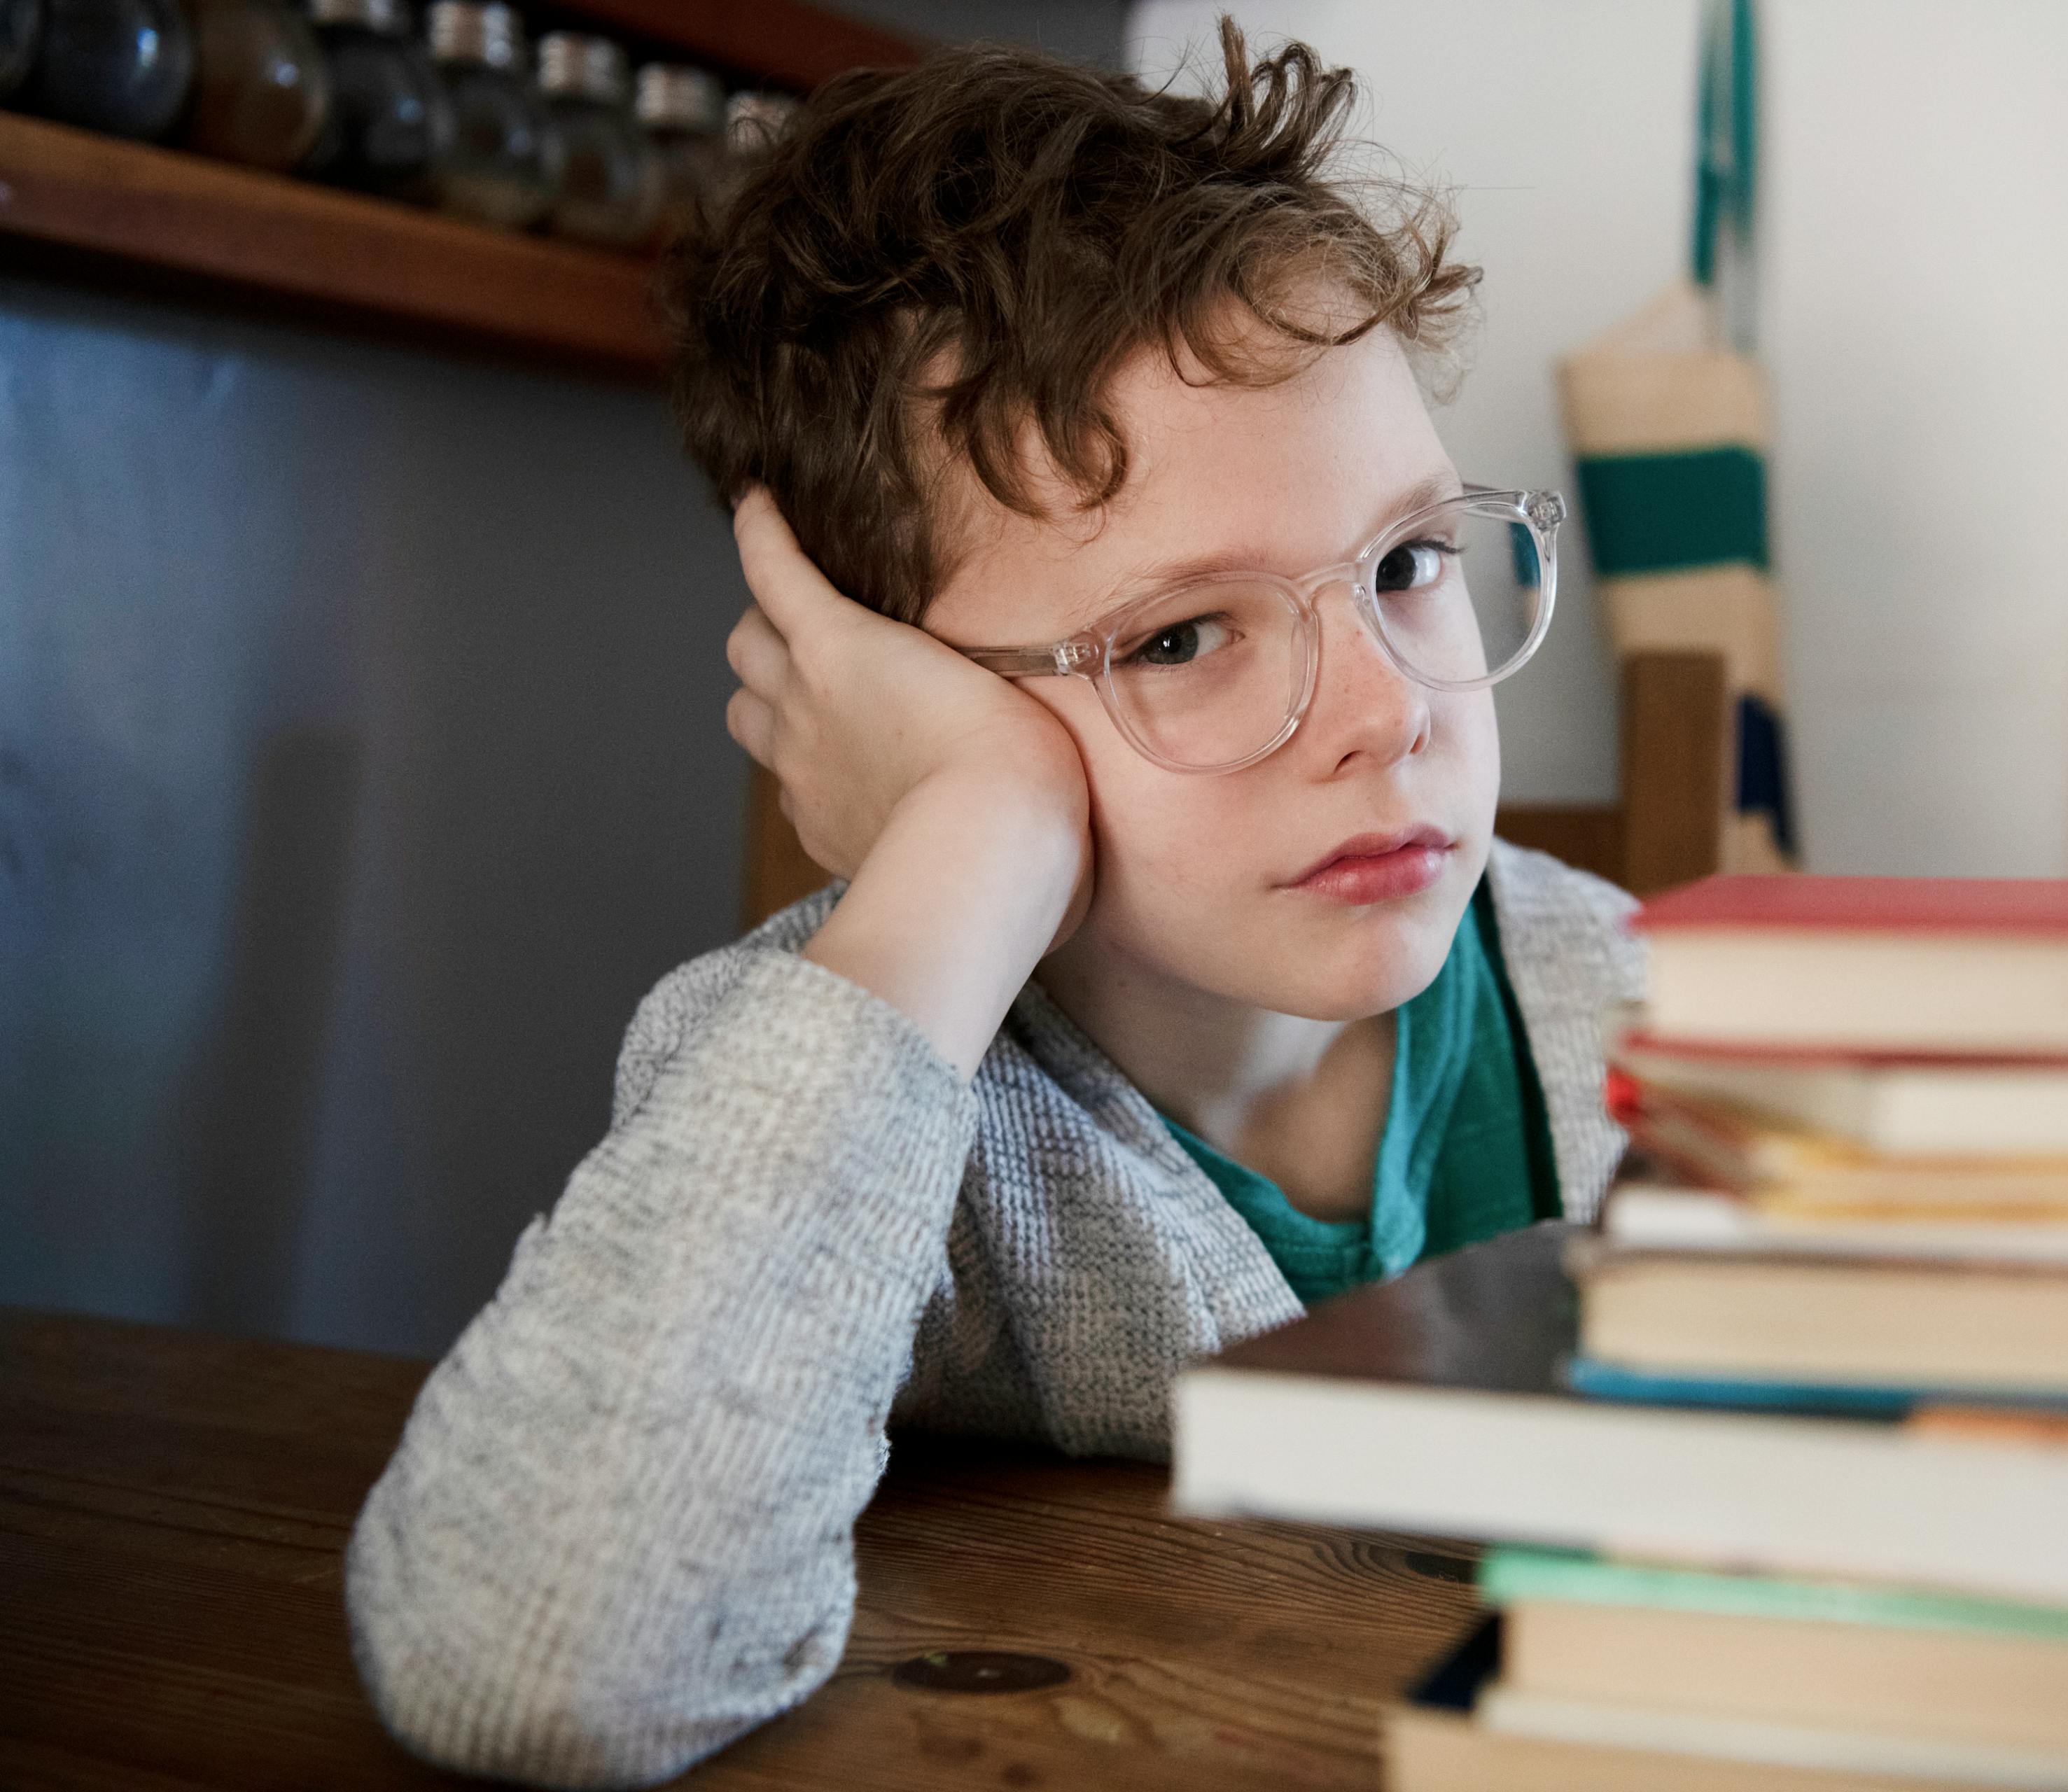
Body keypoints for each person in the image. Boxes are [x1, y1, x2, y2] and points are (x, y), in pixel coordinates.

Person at [345, 19, 1640, 1788]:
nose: (1389, 710)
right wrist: (970, 843)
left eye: (1408, 560)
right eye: (1181, 634)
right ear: (892, 705)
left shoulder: (1657, 1034)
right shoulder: (861, 1073)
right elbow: (543, 1657)